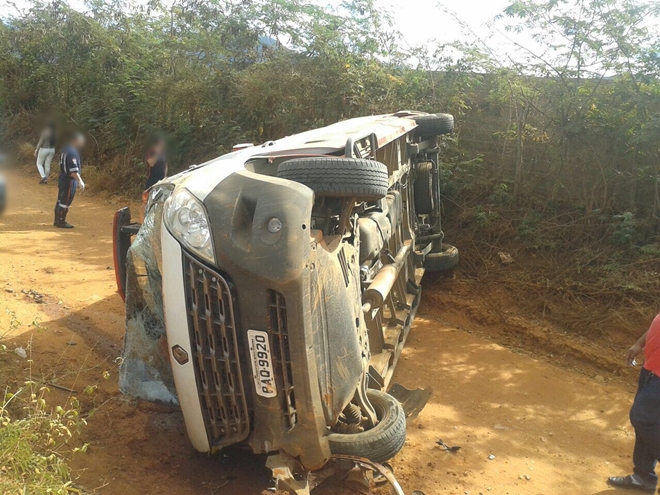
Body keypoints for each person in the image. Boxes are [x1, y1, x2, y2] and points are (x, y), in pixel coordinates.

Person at [608, 314, 660, 493]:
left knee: (642, 418)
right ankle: (643, 477)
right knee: (647, 424)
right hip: (650, 368)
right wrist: (640, 344)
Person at [54, 132, 86, 229]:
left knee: (61, 199)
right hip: (69, 179)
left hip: (63, 177)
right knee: (66, 200)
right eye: (80, 141)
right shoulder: (72, 152)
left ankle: (57, 219)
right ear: (75, 140)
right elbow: (73, 171)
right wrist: (80, 181)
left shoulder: (65, 150)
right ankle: (61, 221)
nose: (82, 143)